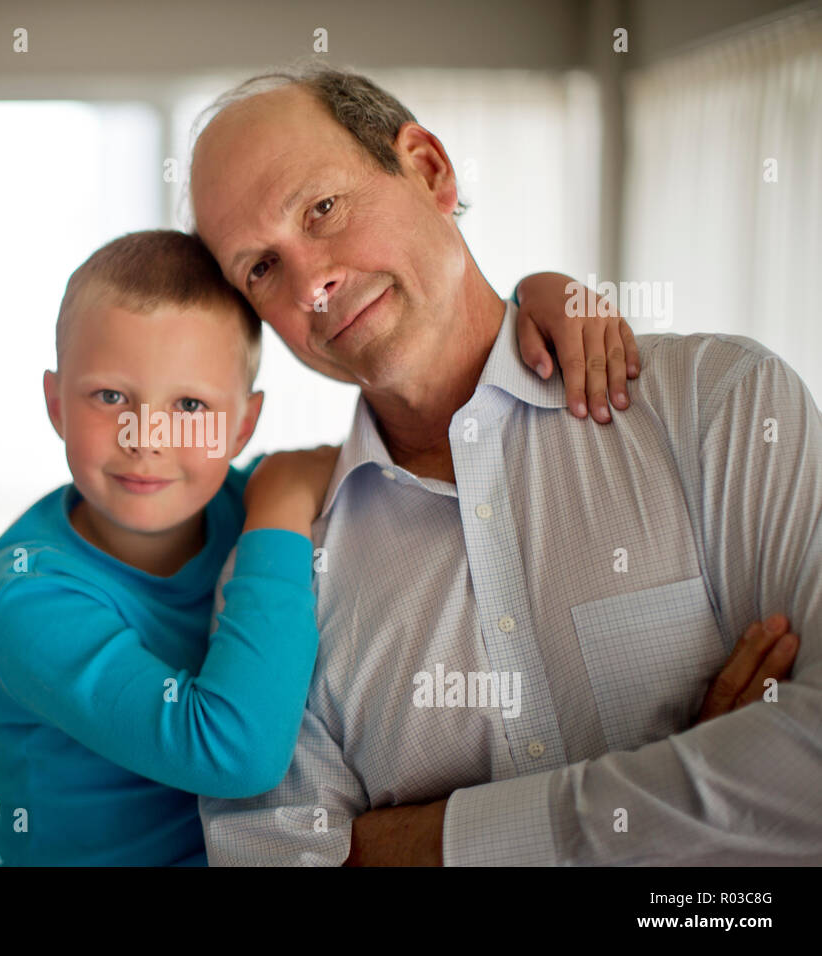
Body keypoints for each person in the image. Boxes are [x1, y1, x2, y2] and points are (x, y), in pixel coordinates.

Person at [189, 65, 818, 865]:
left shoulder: (722, 405)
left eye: (322, 208)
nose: (313, 282)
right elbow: (270, 857)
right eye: (262, 269)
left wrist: (408, 847)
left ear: (428, 168)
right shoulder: (276, 577)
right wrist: (701, 805)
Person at [0, 228, 631, 865]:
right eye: (110, 396)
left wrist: (539, 297)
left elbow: (440, 427)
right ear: (55, 403)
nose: (148, 437)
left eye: (191, 407)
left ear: (244, 424)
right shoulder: (23, 597)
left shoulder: (250, 513)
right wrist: (281, 502)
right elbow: (233, 754)